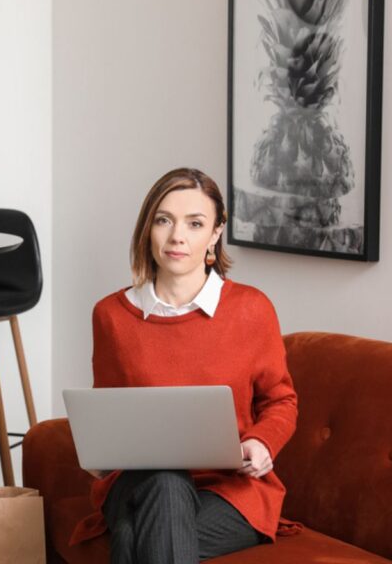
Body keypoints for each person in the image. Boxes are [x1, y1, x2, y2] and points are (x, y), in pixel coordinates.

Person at [69, 168, 299, 563]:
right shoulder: (110, 316)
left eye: (195, 224)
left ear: (214, 233)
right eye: (164, 220)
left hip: (233, 492)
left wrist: (262, 442)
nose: (177, 236)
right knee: (166, 479)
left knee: (133, 535)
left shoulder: (251, 309)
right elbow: (109, 413)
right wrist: (100, 453)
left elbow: (281, 400)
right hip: (137, 484)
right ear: (148, 228)